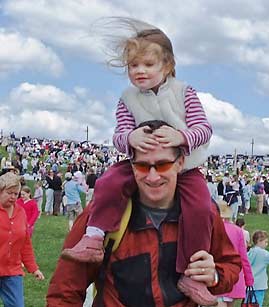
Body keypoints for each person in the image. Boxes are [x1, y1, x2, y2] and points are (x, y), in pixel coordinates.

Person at [61, 18, 216, 304]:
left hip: (185, 164)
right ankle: (94, 237)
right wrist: (131, 138)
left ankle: (191, 274)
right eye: (134, 65)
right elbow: (118, 135)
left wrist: (181, 136)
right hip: (140, 162)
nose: (139, 71)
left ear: (167, 65)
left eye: (148, 64)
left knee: (201, 208)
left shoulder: (185, 92)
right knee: (108, 182)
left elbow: (204, 129)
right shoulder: (126, 99)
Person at [46, 122, 241, 306]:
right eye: (143, 166)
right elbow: (65, 290)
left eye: (163, 165)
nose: (153, 176)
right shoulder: (102, 214)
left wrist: (214, 276)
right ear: (131, 165)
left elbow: (231, 264)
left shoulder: (202, 213)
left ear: (180, 163)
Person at [0, 172, 45, 306]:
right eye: (9, 193)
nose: (13, 197)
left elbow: (25, 243)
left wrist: (34, 268)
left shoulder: (20, 213)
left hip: (12, 271)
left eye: (16, 194)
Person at [217, 202, 254, 306]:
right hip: (234, 276)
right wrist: (249, 279)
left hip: (217, 275)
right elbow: (243, 258)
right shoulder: (238, 231)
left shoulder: (211, 228)